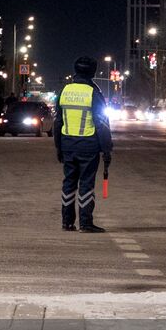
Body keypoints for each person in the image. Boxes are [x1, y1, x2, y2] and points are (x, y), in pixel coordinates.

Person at [54, 56, 113, 232]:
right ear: (93, 72)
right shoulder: (93, 93)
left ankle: (67, 222)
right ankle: (86, 223)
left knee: (69, 184)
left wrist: (58, 146)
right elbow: (102, 124)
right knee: (86, 184)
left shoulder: (64, 91)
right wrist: (106, 149)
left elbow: (58, 122)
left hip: (68, 145)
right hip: (88, 146)